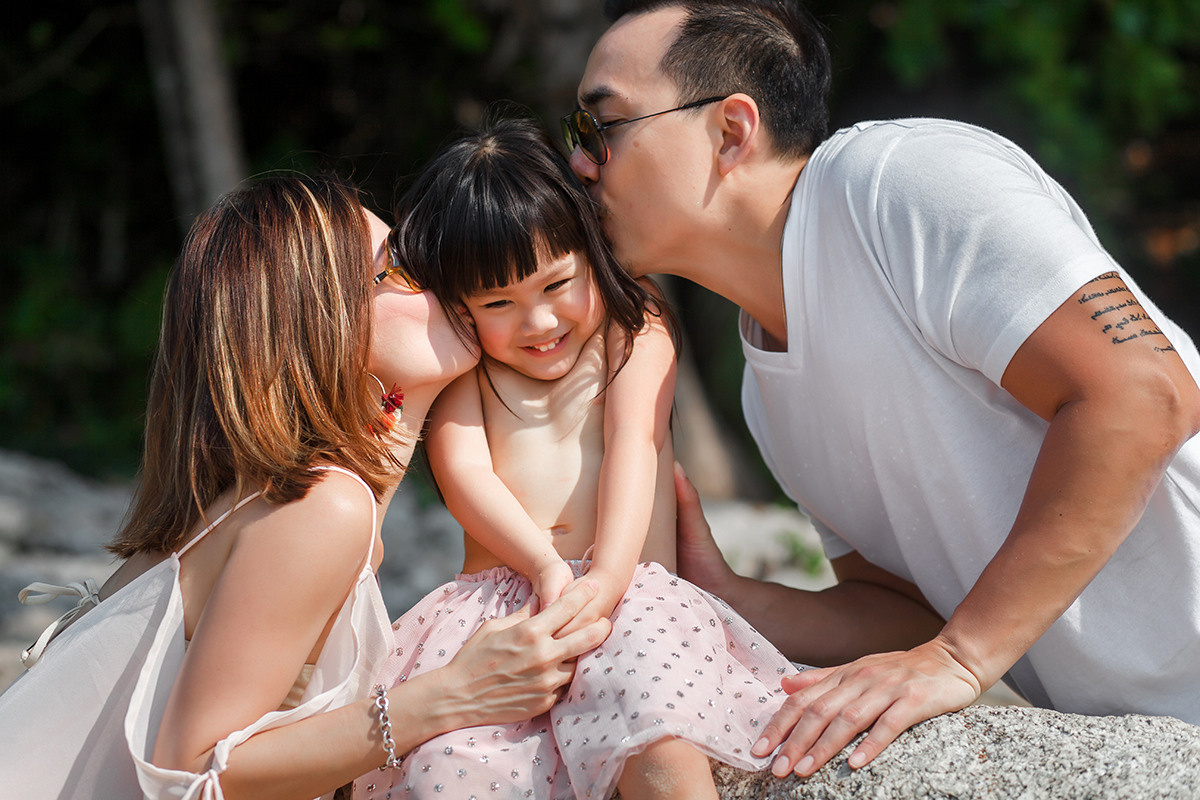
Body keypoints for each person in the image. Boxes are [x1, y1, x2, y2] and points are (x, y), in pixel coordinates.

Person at [563, 0, 1200, 782]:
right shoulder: (767, 387)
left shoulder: (898, 185)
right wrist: (722, 598)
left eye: (602, 128)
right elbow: (912, 612)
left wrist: (962, 658)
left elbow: (1144, 393)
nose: (579, 166)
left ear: (731, 131)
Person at [0, 174, 612, 800]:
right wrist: (450, 695)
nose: (440, 268)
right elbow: (189, 773)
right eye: (398, 264)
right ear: (321, 321)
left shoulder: (286, 497)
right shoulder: (321, 505)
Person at [350, 117, 801, 800]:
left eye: (557, 285)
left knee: (657, 727)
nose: (538, 322)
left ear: (592, 254)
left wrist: (606, 578)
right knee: (454, 767)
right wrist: (540, 564)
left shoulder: (633, 329)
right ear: (463, 310)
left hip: (629, 588)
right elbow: (462, 471)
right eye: (498, 302)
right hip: (499, 604)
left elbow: (633, 444)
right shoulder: (468, 365)